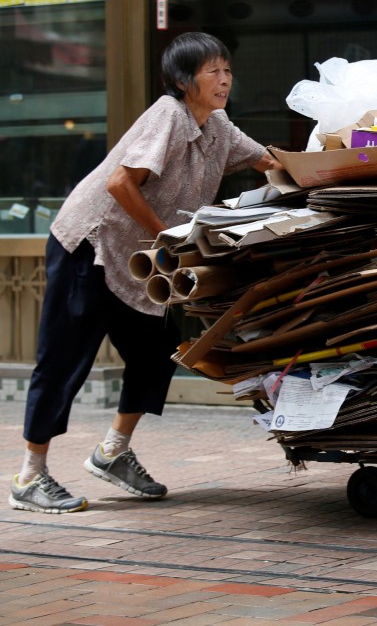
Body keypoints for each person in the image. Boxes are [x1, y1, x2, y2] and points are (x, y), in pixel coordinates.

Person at [8, 32, 284, 514]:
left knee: (156, 354)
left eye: (228, 70)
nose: (224, 79)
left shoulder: (217, 126)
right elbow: (119, 182)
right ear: (183, 81)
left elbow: (268, 161)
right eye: (212, 71)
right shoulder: (168, 115)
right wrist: (166, 237)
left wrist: (331, 167)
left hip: (139, 255)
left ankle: (113, 451)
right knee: (65, 358)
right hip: (90, 244)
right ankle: (30, 475)